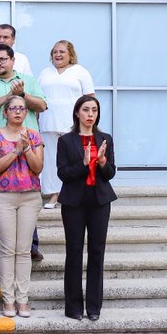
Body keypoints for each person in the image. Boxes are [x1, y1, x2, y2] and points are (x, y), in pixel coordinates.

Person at [0, 43, 47, 265]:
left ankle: (30, 245)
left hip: (26, 147)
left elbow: (42, 105)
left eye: (3, 59)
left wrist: (22, 95)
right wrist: (7, 97)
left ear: (13, 60)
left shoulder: (27, 80)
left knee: (27, 196)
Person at [0, 95, 44, 318]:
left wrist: (27, 149)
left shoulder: (34, 136)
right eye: (13, 108)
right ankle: (8, 299)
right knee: (8, 249)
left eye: (22, 108)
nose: (18, 111)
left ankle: (23, 298)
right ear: (5, 112)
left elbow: (38, 168)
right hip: (2, 197)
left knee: (24, 249)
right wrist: (16, 150)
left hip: (30, 197)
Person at [58, 94, 116, 322]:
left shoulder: (105, 139)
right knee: (74, 252)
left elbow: (110, 173)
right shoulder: (66, 141)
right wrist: (83, 164)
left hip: (99, 201)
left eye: (94, 110)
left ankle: (94, 307)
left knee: (97, 252)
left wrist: (102, 162)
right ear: (77, 113)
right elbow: (63, 173)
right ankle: (73, 307)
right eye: (86, 110)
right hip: (74, 202)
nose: (90, 114)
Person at [38, 40, 95, 208]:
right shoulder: (45, 73)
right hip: (48, 123)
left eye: (62, 51)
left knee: (75, 159)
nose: (58, 54)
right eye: (55, 52)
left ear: (70, 54)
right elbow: (38, 98)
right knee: (51, 161)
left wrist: (87, 120)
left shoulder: (80, 72)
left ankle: (75, 194)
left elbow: (90, 99)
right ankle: (54, 195)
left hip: (72, 124)